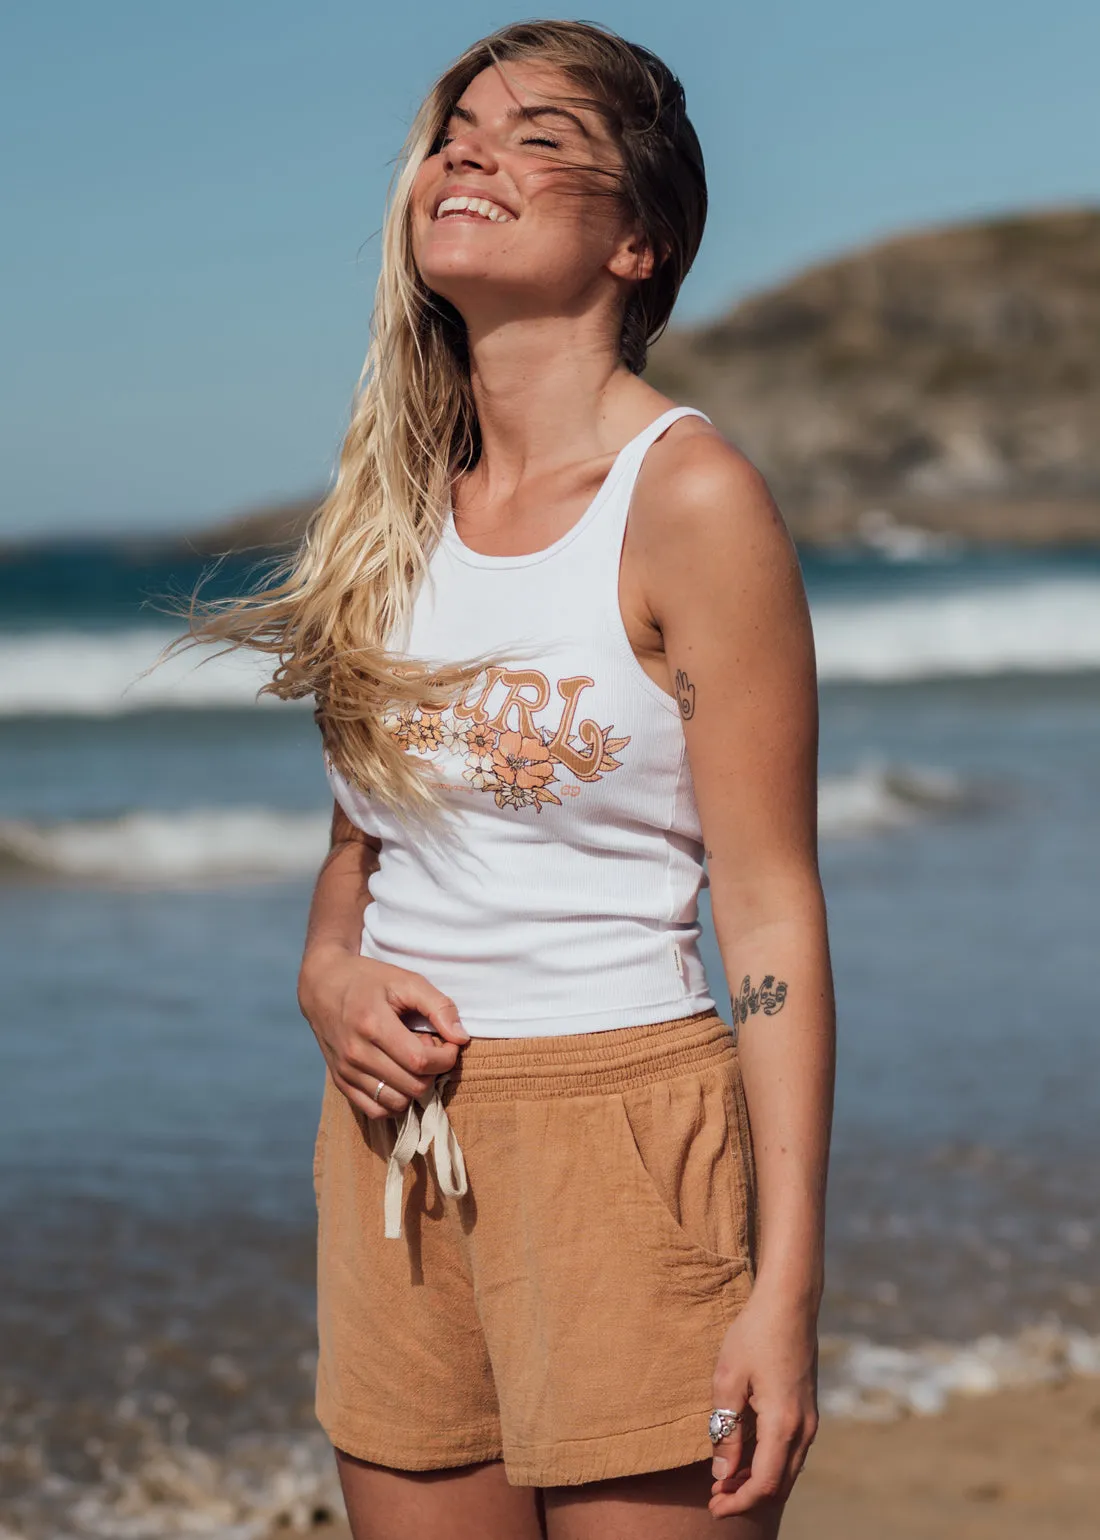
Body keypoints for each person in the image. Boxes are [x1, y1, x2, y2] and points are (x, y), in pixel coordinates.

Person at [187, 19, 835, 1538]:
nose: (474, 150)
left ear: (639, 242)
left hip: (631, 1137)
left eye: (541, 136)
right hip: (396, 1147)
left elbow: (772, 911)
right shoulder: (393, 507)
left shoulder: (690, 498)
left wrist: (786, 1292)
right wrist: (325, 973)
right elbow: (368, 835)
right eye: (462, 126)